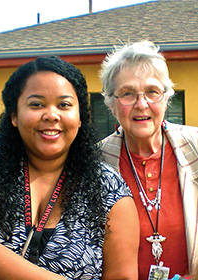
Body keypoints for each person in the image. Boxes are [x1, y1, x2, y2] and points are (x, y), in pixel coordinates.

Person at [0, 56, 139, 280]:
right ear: (14, 115)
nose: (51, 115)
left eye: (64, 105)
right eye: (36, 104)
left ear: (80, 119)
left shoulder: (108, 188)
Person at [99, 41, 198, 280]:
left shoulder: (195, 146)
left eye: (152, 92)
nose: (141, 104)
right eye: (127, 94)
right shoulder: (96, 160)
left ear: (166, 99)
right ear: (112, 105)